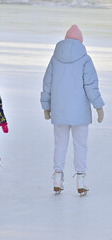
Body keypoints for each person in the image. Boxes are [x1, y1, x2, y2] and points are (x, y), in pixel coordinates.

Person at [40, 25, 104, 195]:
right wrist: (99, 106)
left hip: (59, 111)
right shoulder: (85, 59)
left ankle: (57, 178)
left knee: (60, 145)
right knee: (80, 146)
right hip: (80, 114)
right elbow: (91, 86)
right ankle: (81, 180)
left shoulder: (55, 58)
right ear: (81, 41)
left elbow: (47, 84)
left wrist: (46, 107)